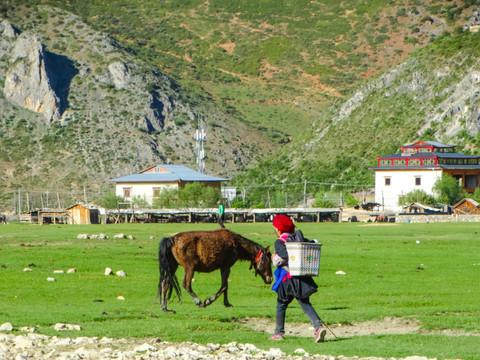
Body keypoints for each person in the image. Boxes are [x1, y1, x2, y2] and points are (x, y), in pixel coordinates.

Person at [269, 214, 326, 343]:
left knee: (281, 305)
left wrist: (273, 258)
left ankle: (278, 333)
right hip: (301, 279)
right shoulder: (299, 238)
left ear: (278, 229)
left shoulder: (280, 241)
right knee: (305, 304)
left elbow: (283, 257)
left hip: (287, 279)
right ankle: (318, 328)